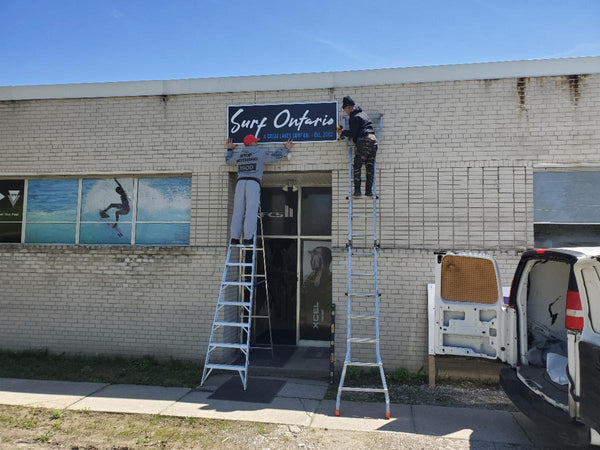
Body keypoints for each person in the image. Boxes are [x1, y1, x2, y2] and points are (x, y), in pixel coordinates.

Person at [226, 135, 294, 246]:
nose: (257, 143)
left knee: (238, 211)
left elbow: (228, 161)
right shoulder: (260, 153)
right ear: (251, 143)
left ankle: (234, 238)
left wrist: (229, 149)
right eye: (255, 141)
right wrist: (286, 149)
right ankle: (248, 239)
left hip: (240, 183)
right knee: (251, 212)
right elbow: (274, 157)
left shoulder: (240, 154)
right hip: (253, 183)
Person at [337, 96, 378, 197]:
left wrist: (343, 132)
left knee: (357, 166)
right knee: (369, 167)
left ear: (349, 108)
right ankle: (368, 191)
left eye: (345, 109)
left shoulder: (353, 116)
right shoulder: (363, 114)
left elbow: (353, 132)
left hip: (364, 140)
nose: (345, 112)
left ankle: (357, 191)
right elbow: (359, 130)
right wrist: (352, 136)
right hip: (373, 141)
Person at [300, 246, 332, 340]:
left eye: (313, 258)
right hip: (309, 322)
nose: (311, 261)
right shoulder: (309, 278)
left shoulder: (327, 279)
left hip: (320, 321)